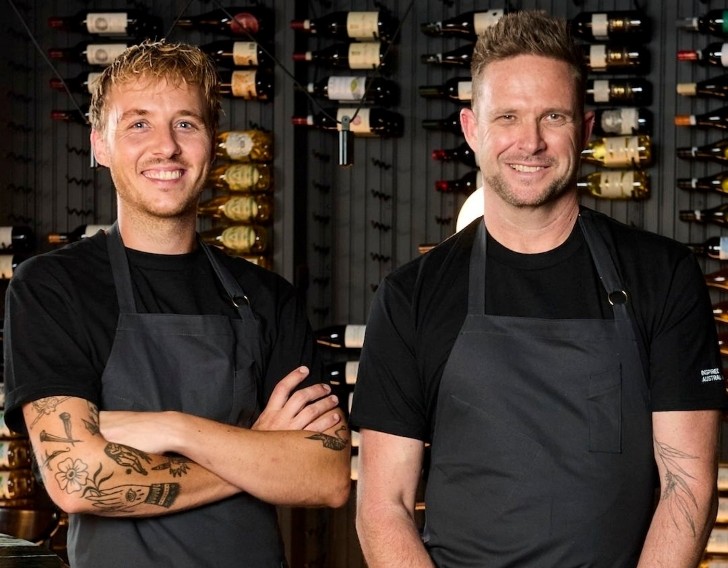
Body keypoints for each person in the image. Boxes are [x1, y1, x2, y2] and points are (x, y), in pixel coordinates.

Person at [351, 10, 727, 568]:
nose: (530, 142)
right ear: (471, 129)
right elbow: (384, 507)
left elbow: (686, 487)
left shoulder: (661, 277)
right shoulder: (412, 296)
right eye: (507, 116)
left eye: (553, 116)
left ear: (587, 127)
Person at [3, 40, 350, 568]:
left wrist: (171, 428)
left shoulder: (268, 298)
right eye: (138, 124)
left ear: (212, 141)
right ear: (100, 144)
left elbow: (325, 478)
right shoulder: (52, 287)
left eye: (186, 124)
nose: (166, 147)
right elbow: (77, 481)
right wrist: (256, 450)